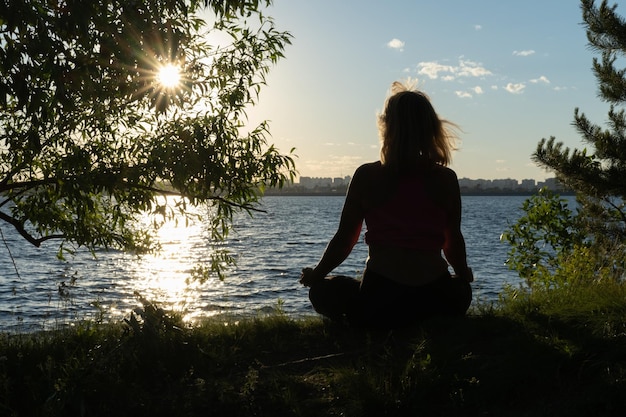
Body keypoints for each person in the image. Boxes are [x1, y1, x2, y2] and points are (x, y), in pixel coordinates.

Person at [299, 80, 473, 329]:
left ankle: (368, 326)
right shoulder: (445, 179)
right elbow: (452, 239)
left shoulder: (367, 176)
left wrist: (317, 274)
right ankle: (427, 321)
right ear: (430, 129)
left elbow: (345, 239)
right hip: (436, 296)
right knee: (461, 289)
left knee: (321, 291)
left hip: (379, 297)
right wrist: (463, 272)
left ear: (386, 126)